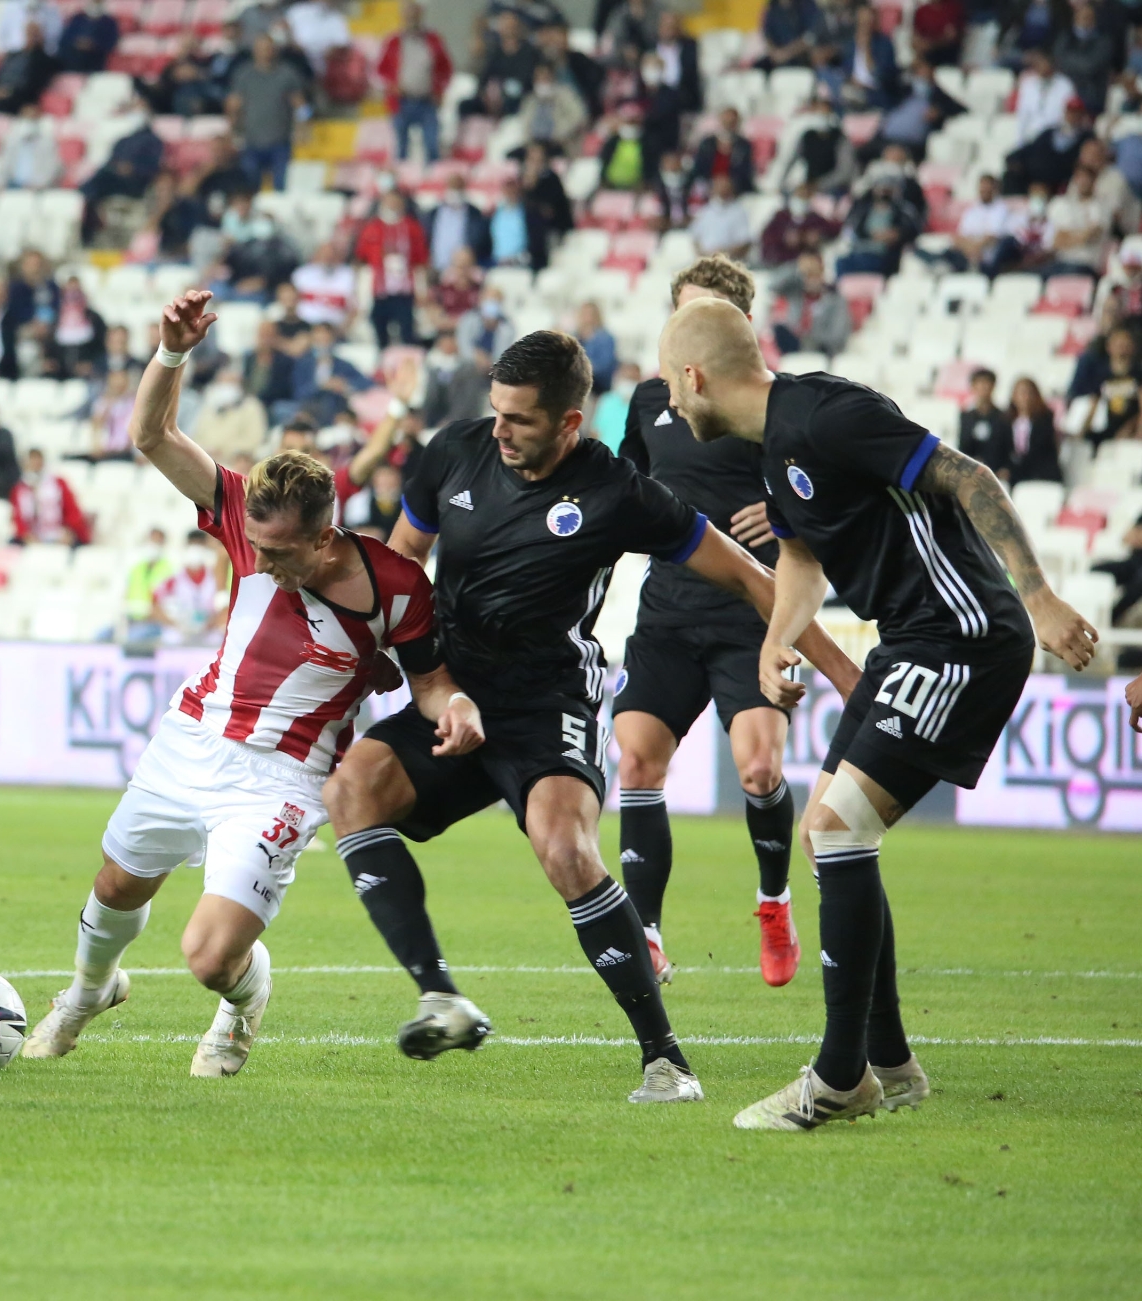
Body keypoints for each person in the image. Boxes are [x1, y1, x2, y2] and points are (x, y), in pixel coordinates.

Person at [320, 329, 852, 1099]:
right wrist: (366, 658)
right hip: (456, 692)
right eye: (496, 412)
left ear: (570, 423)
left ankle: (665, 1060)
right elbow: (400, 569)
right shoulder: (454, 452)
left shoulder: (618, 494)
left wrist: (842, 673)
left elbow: (751, 578)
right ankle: (441, 995)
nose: (498, 430)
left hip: (547, 704)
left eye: (520, 420)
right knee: (352, 789)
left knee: (565, 849)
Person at [656, 295, 1096, 1129]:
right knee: (831, 829)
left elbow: (969, 475)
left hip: (962, 633)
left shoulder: (826, 414)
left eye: (672, 391)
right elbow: (798, 556)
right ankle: (890, 1064)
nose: (672, 409)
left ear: (694, 375)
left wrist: (1035, 597)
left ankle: (839, 1073)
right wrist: (774, 642)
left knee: (836, 831)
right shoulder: (777, 446)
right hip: (910, 638)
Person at [20, 289, 482, 1078]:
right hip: (194, 737)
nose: (258, 563)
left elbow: (430, 680)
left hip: (285, 779)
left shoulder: (397, 584)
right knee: (116, 883)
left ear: (325, 535)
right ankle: (85, 992)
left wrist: (457, 705)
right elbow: (151, 434)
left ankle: (244, 999)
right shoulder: (240, 514)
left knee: (207, 955)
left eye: (280, 553)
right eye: (256, 547)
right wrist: (171, 353)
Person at [616, 256, 861, 987]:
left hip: (752, 617)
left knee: (759, 768)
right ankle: (647, 932)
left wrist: (787, 517)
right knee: (634, 762)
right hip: (666, 611)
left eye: (709, 313)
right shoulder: (645, 400)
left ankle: (774, 898)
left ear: (741, 325)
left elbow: (826, 511)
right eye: (684, 313)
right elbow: (630, 488)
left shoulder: (777, 406)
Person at [226, 34, 307, 192]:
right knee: (249, 187)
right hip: (251, 142)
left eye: (268, 48)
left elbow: (301, 105)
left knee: (280, 187)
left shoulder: (287, 74)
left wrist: (304, 126)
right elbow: (234, 104)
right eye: (261, 48)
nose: (265, 52)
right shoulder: (244, 75)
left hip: (280, 141)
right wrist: (233, 128)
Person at [379, 1, 453, 161]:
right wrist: (391, 86)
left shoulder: (433, 40)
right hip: (402, 101)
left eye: (414, 14)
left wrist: (440, 90)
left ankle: (433, 180)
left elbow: (446, 69)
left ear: (421, 15)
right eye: (408, 15)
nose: (411, 19)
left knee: (432, 145)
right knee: (401, 148)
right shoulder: (394, 42)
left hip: (427, 100)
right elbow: (380, 71)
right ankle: (402, 181)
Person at [355, 190, 428, 348]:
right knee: (379, 330)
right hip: (379, 291)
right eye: (389, 202)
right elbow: (362, 261)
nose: (392, 206)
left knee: (407, 332)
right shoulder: (372, 228)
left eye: (395, 202)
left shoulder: (412, 228)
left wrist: (422, 290)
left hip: (404, 292)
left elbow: (420, 262)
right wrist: (361, 294)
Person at [773, 251, 853, 357]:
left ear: (822, 275)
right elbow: (773, 286)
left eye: (814, 275)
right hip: (794, 347)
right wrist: (796, 266)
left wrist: (809, 338)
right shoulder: (795, 294)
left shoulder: (835, 300)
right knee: (779, 329)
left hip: (822, 348)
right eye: (806, 276)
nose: (810, 281)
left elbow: (838, 336)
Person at [150, 530, 222, 643]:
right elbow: (155, 605)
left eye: (199, 545)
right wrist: (175, 624)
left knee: (216, 639)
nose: (195, 550)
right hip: (180, 630)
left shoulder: (214, 577)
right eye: (192, 545)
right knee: (172, 638)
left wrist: (210, 624)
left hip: (207, 630)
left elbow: (225, 606)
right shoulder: (175, 577)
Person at [192, 364, 268, 463]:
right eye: (222, 382)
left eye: (230, 382)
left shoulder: (251, 407)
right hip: (204, 460)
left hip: (234, 463)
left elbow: (254, 440)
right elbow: (196, 436)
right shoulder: (209, 407)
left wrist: (224, 450)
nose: (225, 386)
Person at [760, 184, 841, 268]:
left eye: (805, 197)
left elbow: (836, 228)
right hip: (782, 263)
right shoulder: (781, 218)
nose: (801, 200)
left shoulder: (813, 220)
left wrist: (820, 235)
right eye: (799, 196)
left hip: (809, 261)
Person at [690, 107, 756, 199]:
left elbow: (746, 172)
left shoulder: (744, 146)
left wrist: (728, 184)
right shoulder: (707, 143)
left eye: (732, 122)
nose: (728, 126)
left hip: (735, 192)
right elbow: (699, 169)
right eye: (726, 122)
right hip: (708, 189)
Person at [1007, 377, 1063, 485]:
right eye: (1021, 393)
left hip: (1040, 473)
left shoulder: (1045, 420)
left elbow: (1041, 450)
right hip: (1015, 474)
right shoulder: (1006, 421)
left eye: (1029, 393)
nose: (1025, 398)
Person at [959, 368, 1013, 479]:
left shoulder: (1003, 417)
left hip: (997, 474)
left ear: (993, 386)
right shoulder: (966, 417)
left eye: (987, 383)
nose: (984, 387)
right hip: (970, 472)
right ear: (973, 387)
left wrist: (1005, 468)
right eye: (980, 383)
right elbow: (962, 446)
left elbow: (1008, 448)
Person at [688, 173, 752, 261]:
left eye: (725, 187)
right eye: (719, 187)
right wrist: (705, 255)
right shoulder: (704, 212)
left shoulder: (739, 212)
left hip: (729, 260)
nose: (722, 190)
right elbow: (695, 239)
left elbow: (744, 243)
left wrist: (723, 254)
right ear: (713, 189)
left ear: (731, 189)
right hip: (706, 259)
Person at [576, 302, 617, 393]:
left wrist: (581, 369)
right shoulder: (575, 336)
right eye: (584, 314)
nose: (586, 318)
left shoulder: (605, 338)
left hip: (598, 387)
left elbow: (605, 364)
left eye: (590, 314)